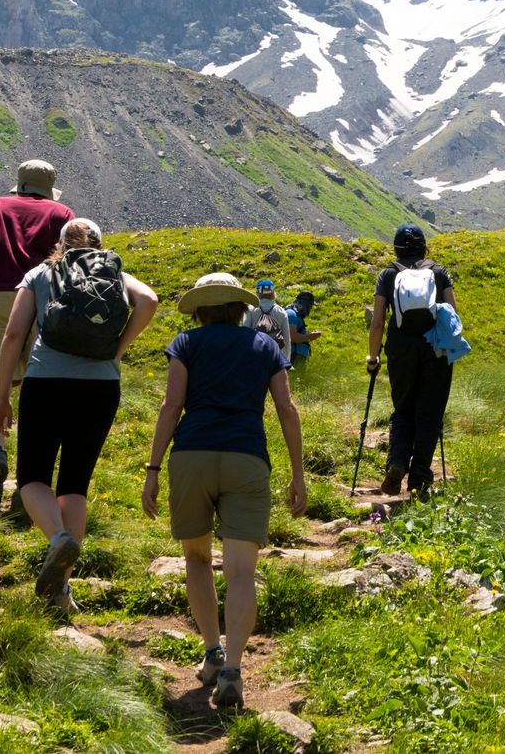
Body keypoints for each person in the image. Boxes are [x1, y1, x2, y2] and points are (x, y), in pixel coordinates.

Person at [142, 272, 307, 711]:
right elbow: (287, 410)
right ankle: (234, 668)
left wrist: (153, 468)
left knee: (196, 559)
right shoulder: (266, 346)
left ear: (199, 309)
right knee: (241, 573)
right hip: (247, 460)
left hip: (191, 454)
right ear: (240, 309)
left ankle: (212, 652)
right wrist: (298, 473)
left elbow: (171, 406)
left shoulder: (186, 344)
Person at [0, 218, 157, 616]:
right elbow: (149, 300)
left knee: (33, 477)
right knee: (74, 485)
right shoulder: (114, 273)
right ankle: (61, 594)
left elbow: (13, 336)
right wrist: (116, 352)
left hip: (47, 381)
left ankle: (57, 538)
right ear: (101, 245)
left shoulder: (41, 273)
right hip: (101, 387)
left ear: (60, 245)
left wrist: (1, 396)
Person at [0, 159, 75, 510]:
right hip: (39, 299)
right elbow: (68, 264)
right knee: (38, 384)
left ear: (19, 183)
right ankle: (30, 477)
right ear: (48, 187)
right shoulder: (61, 213)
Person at [366, 223, 455, 498]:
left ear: (396, 247)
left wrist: (373, 356)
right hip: (435, 349)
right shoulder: (439, 272)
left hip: (400, 347)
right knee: (429, 414)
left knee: (403, 409)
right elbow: (452, 315)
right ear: (424, 246)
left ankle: (396, 463)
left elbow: (378, 320)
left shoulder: (388, 274)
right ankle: (420, 479)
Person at [245, 279, 292, 363]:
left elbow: (245, 332)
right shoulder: (281, 311)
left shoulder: (250, 309)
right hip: (276, 355)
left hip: (255, 353)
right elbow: (286, 339)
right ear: (273, 293)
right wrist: (287, 360)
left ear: (257, 293)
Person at [286, 290, 320, 365]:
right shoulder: (291, 314)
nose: (310, 308)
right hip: (293, 358)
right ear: (305, 305)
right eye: (310, 305)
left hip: (296, 358)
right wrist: (310, 337)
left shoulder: (296, 315)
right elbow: (292, 337)